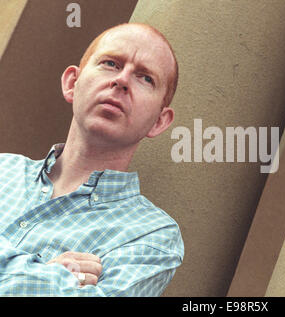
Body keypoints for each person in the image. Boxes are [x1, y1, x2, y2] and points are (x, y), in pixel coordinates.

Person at [0, 23, 183, 296]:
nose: (121, 80)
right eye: (111, 63)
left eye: (145, 78)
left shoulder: (151, 235)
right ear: (72, 83)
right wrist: (47, 275)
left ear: (159, 121)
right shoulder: (3, 168)